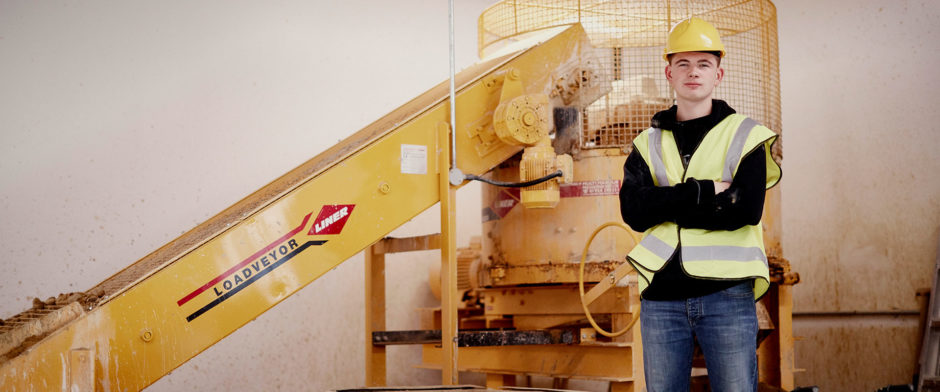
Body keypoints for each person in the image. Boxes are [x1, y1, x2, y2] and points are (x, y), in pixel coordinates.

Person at [618, 17, 782, 391]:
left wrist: (667, 201)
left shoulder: (747, 135)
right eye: (684, 64)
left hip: (726, 295)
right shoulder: (647, 142)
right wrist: (705, 192)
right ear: (669, 73)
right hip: (660, 297)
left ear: (719, 74)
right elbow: (635, 212)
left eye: (704, 64)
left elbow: (744, 210)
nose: (694, 72)